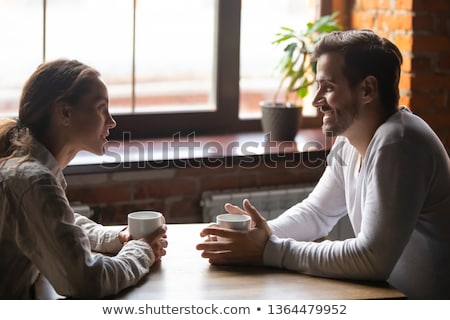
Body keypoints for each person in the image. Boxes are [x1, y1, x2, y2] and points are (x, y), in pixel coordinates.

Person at [196, 29, 450, 299]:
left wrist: (267, 250)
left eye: (327, 87)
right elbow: (317, 212)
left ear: (367, 90)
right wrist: (257, 236)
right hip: (393, 298)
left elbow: (372, 259)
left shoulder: (398, 143)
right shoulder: (350, 140)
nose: (316, 100)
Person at [0, 59, 168, 299]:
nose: (111, 121)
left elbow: (57, 223)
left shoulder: (29, 171)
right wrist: (142, 250)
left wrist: (116, 238)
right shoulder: (33, 181)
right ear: (65, 112)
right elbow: (86, 281)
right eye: (101, 108)